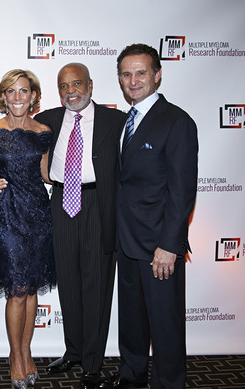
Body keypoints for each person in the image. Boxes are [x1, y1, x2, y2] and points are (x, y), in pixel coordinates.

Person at [0, 63, 126, 389]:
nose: (70, 91)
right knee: (61, 283)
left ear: (90, 85)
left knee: (91, 285)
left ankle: (91, 364)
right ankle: (69, 351)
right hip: (54, 206)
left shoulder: (114, 121)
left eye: (76, 83)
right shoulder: (42, 121)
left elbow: (46, 170)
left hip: (88, 206)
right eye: (63, 86)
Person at [100, 44, 198, 389]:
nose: (133, 80)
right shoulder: (126, 120)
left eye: (141, 72)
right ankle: (132, 373)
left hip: (159, 245)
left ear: (157, 74)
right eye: (126, 74)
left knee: (165, 323)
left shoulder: (177, 122)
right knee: (132, 319)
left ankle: (170, 383)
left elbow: (182, 191)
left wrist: (169, 245)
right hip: (126, 242)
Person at [0, 69, 56, 389]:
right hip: (6, 216)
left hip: (38, 216)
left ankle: (27, 352)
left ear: (33, 96)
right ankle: (14, 356)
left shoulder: (43, 131)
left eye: (23, 91)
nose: (17, 97)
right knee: (16, 291)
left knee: (31, 290)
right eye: (11, 91)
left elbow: (45, 175)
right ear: (3, 96)